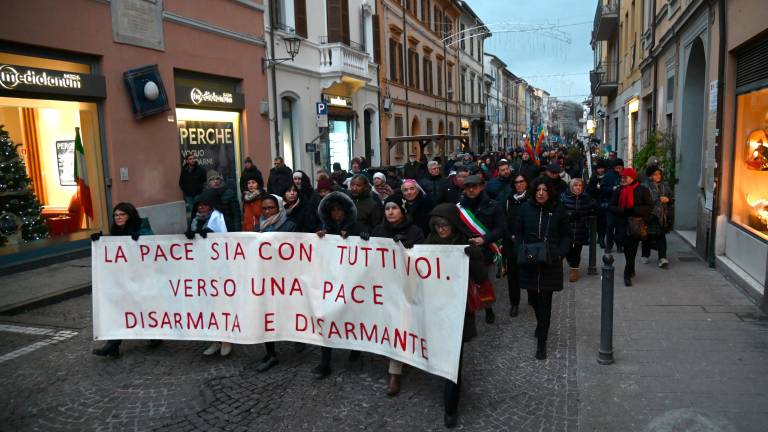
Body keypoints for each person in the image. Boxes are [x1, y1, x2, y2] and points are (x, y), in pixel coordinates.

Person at [425, 203, 486, 428]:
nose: (441, 229)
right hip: (434, 309)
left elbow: (480, 279)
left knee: (454, 357)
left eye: (445, 225)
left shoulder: (465, 244)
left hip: (458, 311)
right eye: (437, 225)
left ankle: (451, 406)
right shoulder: (427, 244)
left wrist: (477, 257)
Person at [371, 195, 425, 396]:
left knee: (399, 325)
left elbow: (425, 258)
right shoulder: (378, 231)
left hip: (406, 288)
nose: (390, 212)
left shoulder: (415, 231)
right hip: (383, 288)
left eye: (394, 208)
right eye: (387, 208)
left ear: (402, 210)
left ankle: (395, 373)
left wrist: (409, 247)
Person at [313, 191, 369, 378]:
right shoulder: (324, 229)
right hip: (330, 283)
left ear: (346, 211)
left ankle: (355, 347)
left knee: (351, 317)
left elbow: (368, 245)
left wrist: (360, 236)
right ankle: (324, 363)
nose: (337, 214)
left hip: (352, 283)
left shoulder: (357, 225)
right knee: (327, 319)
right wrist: (320, 237)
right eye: (333, 211)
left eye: (340, 210)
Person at [91, 203, 157, 358]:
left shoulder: (142, 227)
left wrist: (140, 239)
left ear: (130, 215)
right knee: (118, 309)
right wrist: (99, 241)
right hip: (123, 278)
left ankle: (156, 334)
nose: (118, 218)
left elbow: (153, 245)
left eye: (122, 214)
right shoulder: (116, 231)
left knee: (143, 307)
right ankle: (113, 345)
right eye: (115, 215)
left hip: (142, 277)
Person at [515, 177, 570, 360]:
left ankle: (542, 343)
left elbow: (566, 236)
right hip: (530, 261)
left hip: (550, 263)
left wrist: (560, 253)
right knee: (534, 299)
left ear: (550, 192)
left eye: (544, 190)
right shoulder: (525, 209)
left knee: (545, 300)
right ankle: (540, 324)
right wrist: (521, 249)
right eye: (538, 189)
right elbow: (519, 232)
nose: (541, 193)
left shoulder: (558, 210)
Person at [184, 190, 231, 356]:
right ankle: (214, 340)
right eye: (199, 205)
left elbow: (225, 238)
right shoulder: (195, 219)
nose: (202, 208)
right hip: (201, 268)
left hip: (218, 269)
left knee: (221, 305)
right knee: (207, 306)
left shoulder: (218, 217)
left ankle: (226, 340)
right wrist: (191, 235)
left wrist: (210, 237)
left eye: (205, 205)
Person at [253, 194, 297, 372]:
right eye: (263, 208)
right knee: (266, 314)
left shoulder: (290, 226)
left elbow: (294, 252)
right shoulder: (258, 226)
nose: (266, 211)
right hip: (265, 278)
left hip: (285, 279)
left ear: (279, 208)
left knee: (290, 312)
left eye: (270, 208)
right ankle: (271, 353)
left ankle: (299, 340)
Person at [458, 175, 506, 324]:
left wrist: (484, 239)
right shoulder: (459, 207)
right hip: (464, 251)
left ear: (482, 186)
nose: (471, 189)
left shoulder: (493, 205)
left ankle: (488, 308)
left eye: (474, 186)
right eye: (468, 187)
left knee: (484, 282)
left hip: (484, 251)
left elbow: (501, 229)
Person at [609, 167, 653, 286]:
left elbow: (649, 207)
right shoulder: (619, 190)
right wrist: (622, 211)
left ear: (632, 177)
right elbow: (611, 206)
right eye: (622, 177)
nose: (623, 179)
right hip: (621, 224)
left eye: (625, 177)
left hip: (635, 224)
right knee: (627, 249)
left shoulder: (642, 190)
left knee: (632, 250)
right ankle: (631, 268)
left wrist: (633, 210)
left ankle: (627, 274)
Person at [504, 174, 530, 318]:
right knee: (513, 276)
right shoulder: (508, 200)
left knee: (530, 271)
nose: (519, 184)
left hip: (527, 243)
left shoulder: (531, 198)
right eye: (517, 182)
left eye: (522, 181)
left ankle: (533, 298)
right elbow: (503, 220)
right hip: (512, 243)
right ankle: (514, 303)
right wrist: (510, 235)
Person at [560, 178, 595, 282]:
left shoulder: (586, 198)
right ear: (571, 187)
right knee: (567, 251)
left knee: (577, 252)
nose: (578, 187)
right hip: (567, 230)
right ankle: (571, 263)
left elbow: (591, 210)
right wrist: (570, 214)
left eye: (580, 185)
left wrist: (583, 216)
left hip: (580, 229)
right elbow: (559, 212)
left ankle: (574, 271)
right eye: (576, 185)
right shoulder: (564, 197)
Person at [641, 166, 673, 269]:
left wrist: (668, 199)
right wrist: (659, 198)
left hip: (662, 216)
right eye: (655, 174)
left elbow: (672, 198)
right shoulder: (645, 186)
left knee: (661, 236)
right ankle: (645, 254)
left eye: (659, 174)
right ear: (650, 176)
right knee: (647, 236)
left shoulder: (665, 186)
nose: (658, 176)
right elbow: (644, 199)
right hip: (650, 215)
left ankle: (662, 258)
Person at [602, 159, 624, 253]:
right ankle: (609, 245)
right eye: (617, 168)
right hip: (611, 204)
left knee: (620, 227)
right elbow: (603, 188)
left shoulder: (624, 175)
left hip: (621, 205)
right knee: (610, 226)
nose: (619, 169)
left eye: (620, 167)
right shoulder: (608, 175)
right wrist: (612, 188)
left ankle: (619, 245)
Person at [587, 160, 609, 248]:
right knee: (595, 223)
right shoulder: (593, 178)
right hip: (594, 204)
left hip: (604, 203)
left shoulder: (607, 178)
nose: (601, 170)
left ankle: (601, 239)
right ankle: (596, 236)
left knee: (603, 223)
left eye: (602, 168)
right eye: (599, 168)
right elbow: (589, 191)